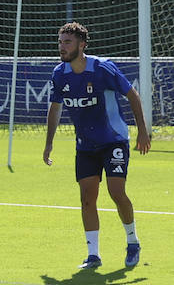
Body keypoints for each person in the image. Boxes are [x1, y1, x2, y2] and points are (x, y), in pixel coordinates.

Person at [43, 21, 151, 269]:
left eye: (67, 42)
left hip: (114, 140)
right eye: (60, 42)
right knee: (87, 199)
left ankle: (132, 241)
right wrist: (49, 143)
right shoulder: (59, 74)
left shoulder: (103, 68)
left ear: (81, 45)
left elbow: (132, 95)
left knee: (116, 192)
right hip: (85, 146)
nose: (62, 46)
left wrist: (142, 132)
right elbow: (56, 107)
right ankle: (93, 255)